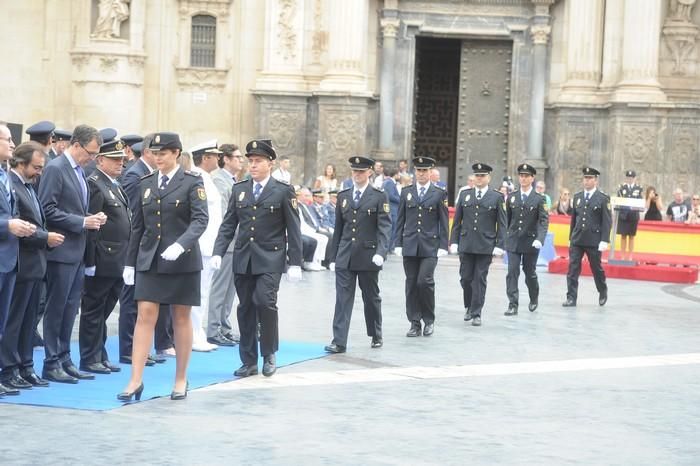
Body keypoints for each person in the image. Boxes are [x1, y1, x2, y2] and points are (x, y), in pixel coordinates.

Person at [119, 132, 208, 401]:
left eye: (164, 153)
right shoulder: (146, 183)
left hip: (182, 260)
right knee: (145, 314)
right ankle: (135, 379)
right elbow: (139, 226)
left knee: (181, 317)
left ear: (176, 154)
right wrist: (130, 262)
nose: (158, 158)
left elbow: (200, 220)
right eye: (154, 153)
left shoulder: (192, 182)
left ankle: (180, 378)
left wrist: (181, 245)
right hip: (150, 259)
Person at [211, 139, 303, 378]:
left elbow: (293, 229)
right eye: (250, 161)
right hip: (244, 258)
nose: (252, 165)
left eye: (258, 161)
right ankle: (249, 360)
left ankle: (269, 352)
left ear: (270, 164)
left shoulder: (283, 191)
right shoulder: (240, 189)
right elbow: (229, 224)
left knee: (265, 302)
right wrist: (218, 252)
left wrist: (295, 262)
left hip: (270, 258)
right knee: (245, 308)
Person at [38, 124, 107, 384]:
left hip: (76, 251)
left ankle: (65, 358)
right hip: (61, 251)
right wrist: (81, 222)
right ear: (75, 145)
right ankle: (51, 361)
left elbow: (74, 206)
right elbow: (48, 209)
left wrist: (90, 218)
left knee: (70, 310)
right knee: (57, 308)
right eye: (89, 152)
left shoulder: (79, 170)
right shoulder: (56, 169)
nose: (91, 158)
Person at [324, 156, 392, 353]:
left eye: (361, 171)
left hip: (368, 255)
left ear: (369, 172)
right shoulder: (344, 195)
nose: (357, 175)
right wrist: (333, 256)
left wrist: (381, 252)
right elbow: (339, 228)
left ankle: (375, 332)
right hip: (346, 254)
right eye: (354, 171)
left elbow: (384, 227)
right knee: (342, 299)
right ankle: (339, 340)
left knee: (370, 297)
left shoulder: (379, 196)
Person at [79, 139, 131, 374]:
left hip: (117, 258)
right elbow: (92, 227)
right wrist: (90, 261)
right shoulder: (95, 184)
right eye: (114, 159)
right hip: (102, 258)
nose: (120, 163)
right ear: (100, 160)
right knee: (93, 309)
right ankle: (89, 358)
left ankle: (100, 353)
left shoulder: (114, 184)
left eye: (121, 159)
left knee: (105, 308)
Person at [0, 129, 39, 396]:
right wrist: (8, 225)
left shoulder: (4, 175)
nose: (13, 144)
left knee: (3, 323)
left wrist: (17, 224)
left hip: (9, 260)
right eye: (7, 139)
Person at [394, 156, 449, 337]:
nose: (421, 174)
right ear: (415, 172)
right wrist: (398, 243)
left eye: (424, 170)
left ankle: (429, 319)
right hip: (410, 244)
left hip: (429, 246)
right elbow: (400, 219)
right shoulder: (406, 192)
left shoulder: (439, 193)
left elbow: (443, 220)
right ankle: (414, 322)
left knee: (424, 281)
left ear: (430, 172)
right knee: (411, 284)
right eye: (418, 170)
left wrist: (443, 245)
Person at [449, 162, 506, 326]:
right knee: (466, 278)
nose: (479, 178)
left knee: (479, 278)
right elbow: (457, 221)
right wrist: (454, 241)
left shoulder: (497, 197)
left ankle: (476, 312)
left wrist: (499, 245)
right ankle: (468, 305)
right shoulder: (466, 194)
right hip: (466, 244)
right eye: (477, 175)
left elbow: (502, 224)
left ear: (488, 177)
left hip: (485, 245)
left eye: (482, 175)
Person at [189, 142, 224, 352]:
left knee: (203, 292)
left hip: (210, 245)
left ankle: (197, 333)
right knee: (198, 293)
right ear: (204, 158)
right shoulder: (197, 178)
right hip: (202, 246)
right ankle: (194, 335)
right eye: (214, 155)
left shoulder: (206, 178)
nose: (218, 159)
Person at [207, 143, 242, 347]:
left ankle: (224, 326)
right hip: (227, 243)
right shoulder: (219, 180)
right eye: (237, 157)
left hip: (236, 243)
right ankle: (213, 329)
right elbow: (224, 216)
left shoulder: (232, 180)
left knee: (230, 290)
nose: (241, 161)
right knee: (220, 288)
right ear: (226, 159)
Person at [504, 164, 549, 316]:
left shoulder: (539, 199)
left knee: (529, 272)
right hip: (514, 241)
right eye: (521, 175)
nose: (523, 178)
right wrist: (505, 238)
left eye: (526, 176)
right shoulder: (512, 197)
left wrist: (540, 239)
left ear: (532, 178)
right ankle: (513, 304)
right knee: (512, 271)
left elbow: (543, 221)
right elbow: (508, 220)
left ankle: (533, 296)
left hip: (530, 242)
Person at [563, 167, 611, 308]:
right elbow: (574, 219)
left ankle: (602, 290)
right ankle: (571, 297)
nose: (587, 181)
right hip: (578, 239)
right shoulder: (577, 197)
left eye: (590, 178)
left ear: (595, 180)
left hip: (594, 240)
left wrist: (604, 240)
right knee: (573, 268)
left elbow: (607, 221)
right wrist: (571, 236)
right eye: (585, 178)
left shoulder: (602, 198)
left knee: (596, 268)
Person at [616, 170, 643, 261]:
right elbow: (618, 200)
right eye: (628, 178)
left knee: (631, 236)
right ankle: (623, 256)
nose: (630, 179)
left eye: (631, 178)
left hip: (633, 215)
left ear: (635, 178)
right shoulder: (621, 188)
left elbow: (640, 201)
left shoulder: (638, 188)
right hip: (623, 215)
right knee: (623, 236)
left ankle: (630, 256)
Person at [382, 167, 400, 248]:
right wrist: (401, 200)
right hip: (392, 209)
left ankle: (390, 247)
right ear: (395, 175)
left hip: (393, 209)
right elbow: (390, 196)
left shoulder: (390, 182)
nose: (399, 176)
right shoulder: (389, 182)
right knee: (392, 229)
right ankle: (389, 247)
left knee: (393, 229)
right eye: (398, 174)